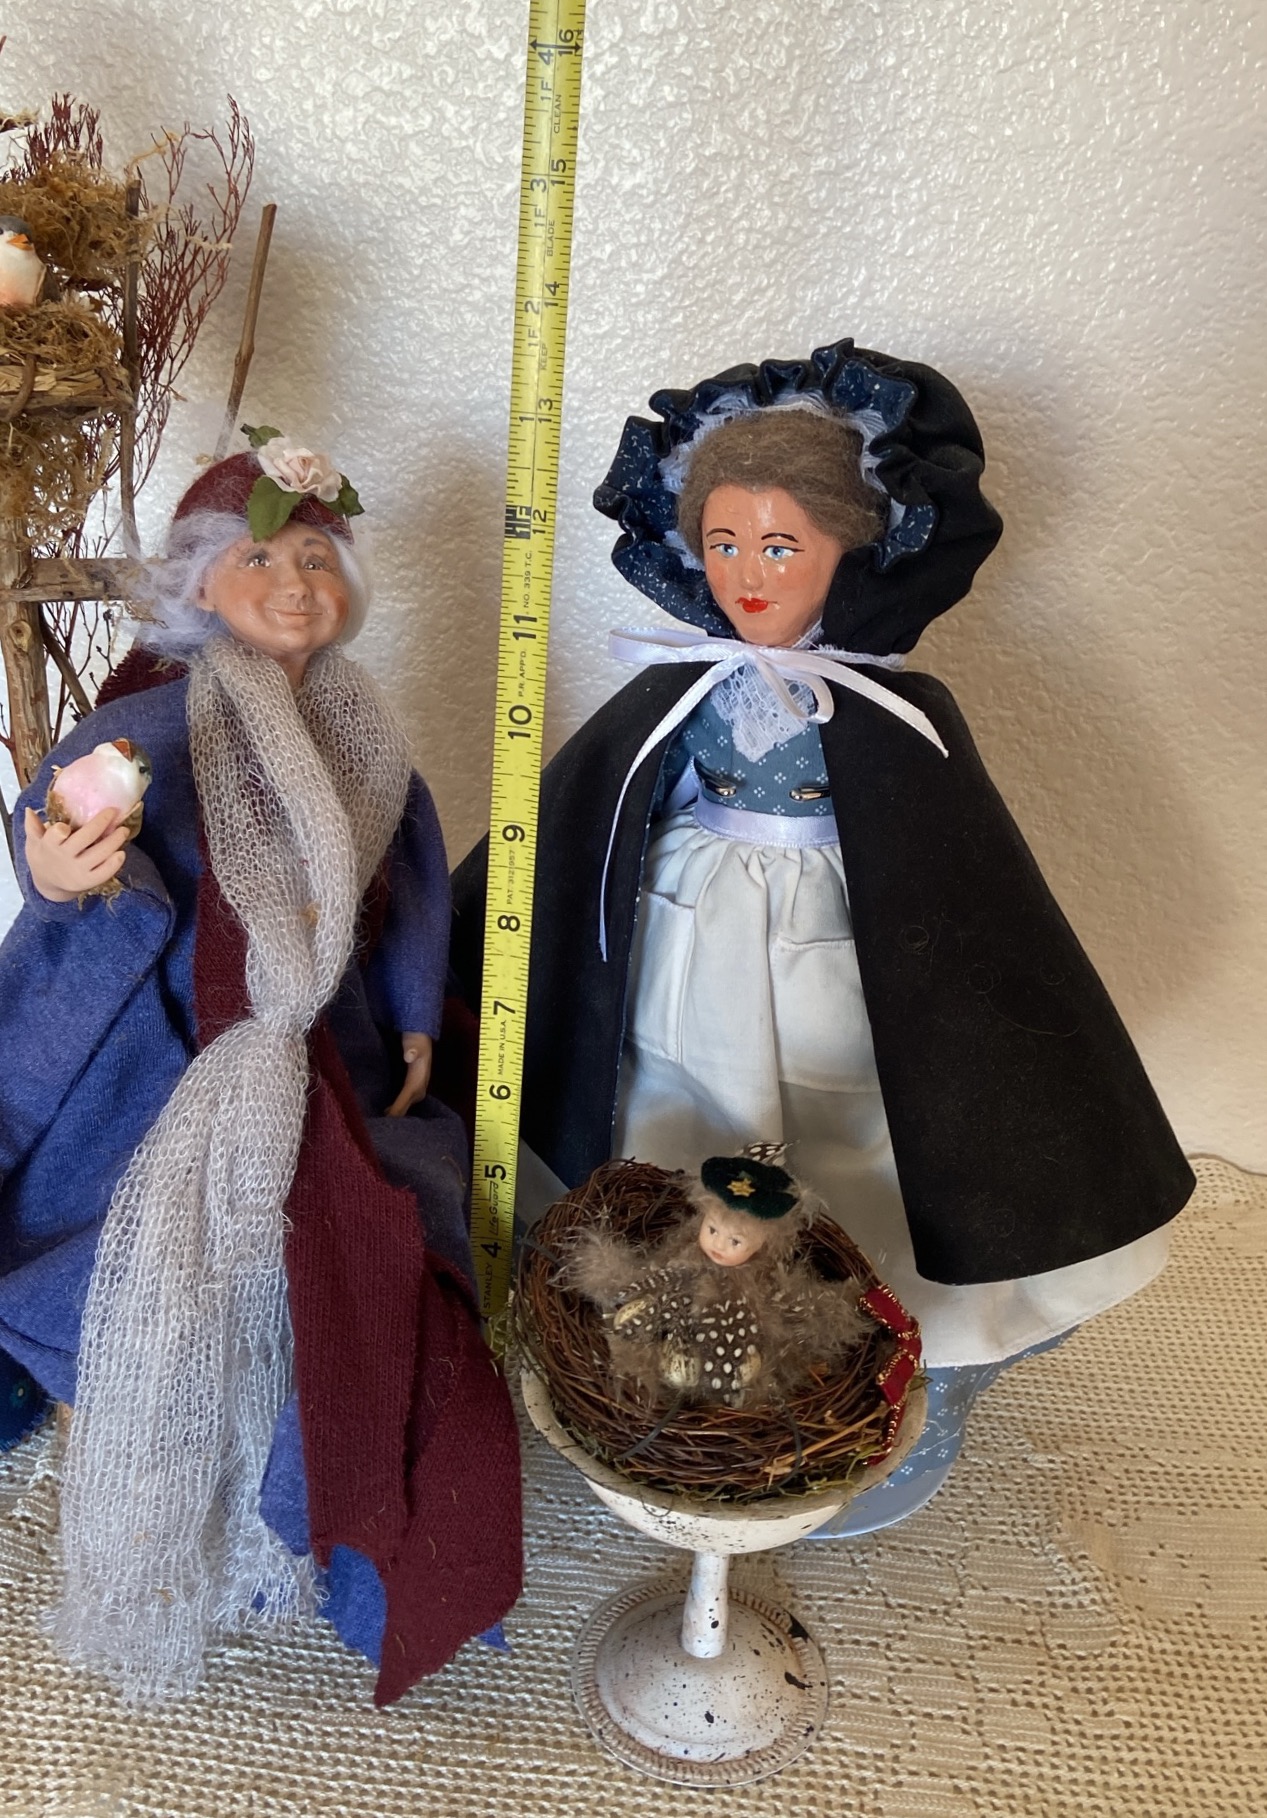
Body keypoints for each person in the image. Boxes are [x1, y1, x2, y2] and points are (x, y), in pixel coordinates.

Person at [452, 336, 1193, 1527]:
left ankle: (854, 1372)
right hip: (687, 935)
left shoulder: (892, 711)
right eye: (724, 543)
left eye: (781, 545)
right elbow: (579, 812)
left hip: (837, 945)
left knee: (854, 1140)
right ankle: (667, 1363)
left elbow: (963, 884)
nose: (748, 575)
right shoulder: (682, 687)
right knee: (671, 1114)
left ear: (858, 550)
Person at [0, 435, 521, 1702]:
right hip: (170, 1059)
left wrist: (413, 1016)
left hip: (328, 1052)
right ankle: (143, 1467)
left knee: (362, 1254)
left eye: (317, 561)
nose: (295, 588)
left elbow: (410, 886)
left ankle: (289, 1484)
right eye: (259, 561)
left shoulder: (367, 741)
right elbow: (64, 815)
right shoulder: (149, 728)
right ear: (199, 586)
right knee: (126, 1272)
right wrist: (58, 866)